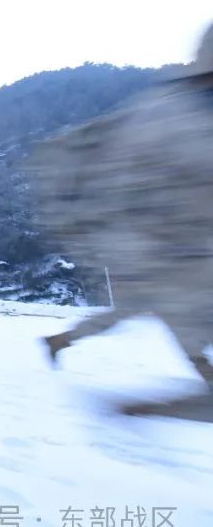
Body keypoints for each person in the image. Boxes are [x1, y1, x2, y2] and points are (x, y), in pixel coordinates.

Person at [30, 22, 213, 420]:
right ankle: (157, 403)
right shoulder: (180, 116)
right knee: (178, 319)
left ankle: (62, 340)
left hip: (161, 257)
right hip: (171, 257)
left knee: (135, 314)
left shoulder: (171, 107)